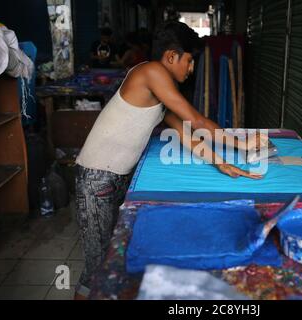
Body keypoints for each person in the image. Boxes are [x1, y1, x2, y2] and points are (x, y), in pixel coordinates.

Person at [74, 21, 266, 299]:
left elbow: (188, 135)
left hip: (112, 179)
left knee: (110, 259)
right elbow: (197, 120)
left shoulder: (160, 96)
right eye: (190, 61)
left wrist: (220, 162)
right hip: (96, 179)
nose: (191, 70)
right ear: (171, 56)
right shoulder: (150, 71)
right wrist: (242, 144)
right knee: (97, 269)